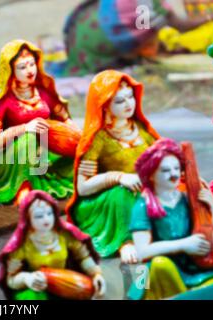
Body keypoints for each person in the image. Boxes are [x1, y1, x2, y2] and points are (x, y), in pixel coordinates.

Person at [65, 70, 159, 263]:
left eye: (130, 97)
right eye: (119, 101)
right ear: (105, 105)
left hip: (143, 193)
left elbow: (162, 157)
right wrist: (118, 177)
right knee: (123, 191)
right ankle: (126, 241)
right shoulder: (98, 139)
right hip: (107, 204)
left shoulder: (141, 130)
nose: (128, 104)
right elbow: (83, 188)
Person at [0, 40, 81, 205]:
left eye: (32, 64)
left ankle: (52, 180)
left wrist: (81, 139)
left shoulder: (45, 93)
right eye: (22, 67)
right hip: (12, 160)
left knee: (80, 150)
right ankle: (23, 188)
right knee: (29, 138)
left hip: (45, 154)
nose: (29, 71)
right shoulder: (3, 102)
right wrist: (24, 128)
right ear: (11, 71)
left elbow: (65, 121)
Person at [128, 138, 213, 300]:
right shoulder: (143, 206)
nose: (174, 174)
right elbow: (142, 252)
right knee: (160, 265)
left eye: (177, 168)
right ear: (151, 175)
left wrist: (210, 208)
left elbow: (211, 239)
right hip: (162, 267)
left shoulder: (186, 200)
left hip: (192, 266)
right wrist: (184, 245)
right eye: (165, 170)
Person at [0, 190, 106, 300]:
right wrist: (26, 278)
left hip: (65, 284)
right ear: (28, 218)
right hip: (39, 287)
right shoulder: (22, 243)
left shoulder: (64, 234)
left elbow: (83, 257)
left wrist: (96, 274)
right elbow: (11, 280)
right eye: (39, 216)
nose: (46, 219)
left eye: (49, 213)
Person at [64, 0, 213, 75]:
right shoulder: (151, 4)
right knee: (149, 29)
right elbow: (180, 26)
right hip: (98, 46)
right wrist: (211, 17)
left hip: (77, 40)